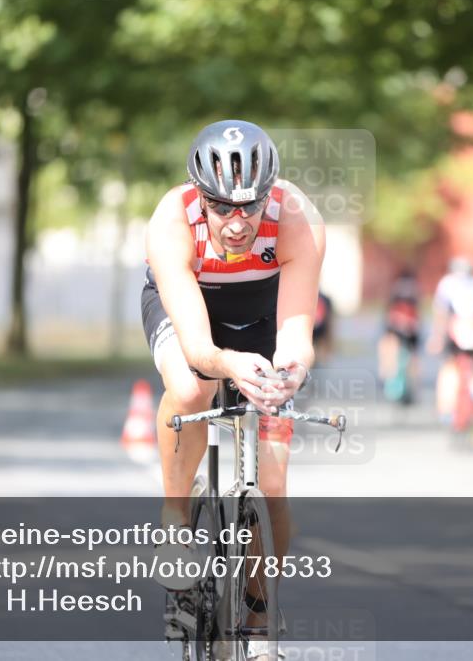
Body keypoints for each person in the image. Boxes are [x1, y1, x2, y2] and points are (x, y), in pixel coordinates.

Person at [141, 120, 324, 657]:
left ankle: (259, 613)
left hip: (261, 314)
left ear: (272, 194)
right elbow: (199, 349)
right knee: (193, 389)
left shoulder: (298, 220)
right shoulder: (173, 221)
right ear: (201, 197)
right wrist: (227, 365)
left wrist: (289, 372)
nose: (237, 223)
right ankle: (176, 518)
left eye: (251, 206)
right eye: (221, 207)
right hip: (191, 313)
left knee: (272, 482)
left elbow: (296, 333)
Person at [427, 257, 473, 425]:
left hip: (456, 332)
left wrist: (436, 338)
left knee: (449, 367)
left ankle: (446, 408)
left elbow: (441, 315)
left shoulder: (447, 284)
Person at [377, 270, 421, 403]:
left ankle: (387, 376)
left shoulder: (395, 291)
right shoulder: (414, 292)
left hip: (397, 328)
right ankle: (410, 383)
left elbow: (388, 315)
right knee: (411, 355)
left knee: (389, 347)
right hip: (408, 329)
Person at [312, 292, 335, 364]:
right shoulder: (325, 298)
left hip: (319, 332)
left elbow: (329, 321)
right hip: (315, 331)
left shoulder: (325, 299)